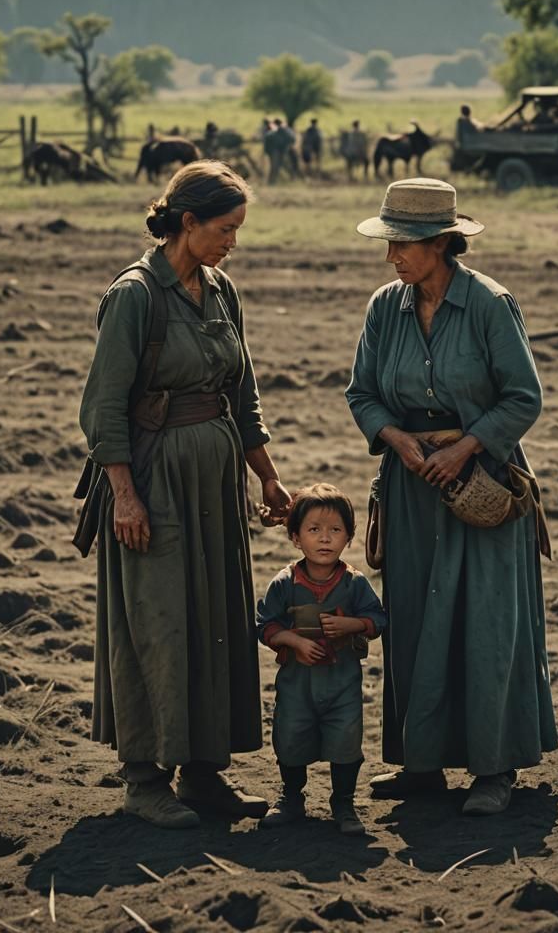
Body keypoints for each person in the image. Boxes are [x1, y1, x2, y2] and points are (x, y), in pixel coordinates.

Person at [77, 160, 292, 829]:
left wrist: (266, 473)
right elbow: (103, 408)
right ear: (188, 222)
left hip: (215, 481)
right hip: (154, 479)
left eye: (239, 230)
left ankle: (204, 772)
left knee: (216, 620)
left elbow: (243, 393)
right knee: (159, 619)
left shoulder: (223, 290)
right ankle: (145, 778)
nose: (234, 242)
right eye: (225, 229)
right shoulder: (135, 295)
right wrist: (126, 496)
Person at [346, 177, 557, 817]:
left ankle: (495, 769)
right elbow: (362, 393)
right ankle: (423, 765)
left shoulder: (492, 305)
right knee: (412, 622)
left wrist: (463, 447)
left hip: (482, 489)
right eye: (388, 244)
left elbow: (525, 397)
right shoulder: (386, 307)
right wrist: (400, 443)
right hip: (412, 495)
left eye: (403, 244)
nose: (392, 258)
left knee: (487, 625)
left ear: (442, 242)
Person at [256, 484, 386, 836]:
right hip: (297, 683)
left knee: (345, 740)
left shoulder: (355, 584)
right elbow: (264, 624)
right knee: (290, 736)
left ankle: (343, 802)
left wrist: (352, 624)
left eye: (335, 531)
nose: (325, 539)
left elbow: (379, 619)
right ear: (296, 537)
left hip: (342, 683)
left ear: (348, 536)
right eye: (314, 530)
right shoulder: (284, 583)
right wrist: (292, 640)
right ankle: (291, 797)